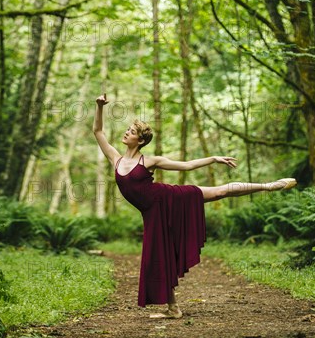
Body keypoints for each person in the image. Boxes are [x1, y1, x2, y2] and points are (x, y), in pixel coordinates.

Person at [92, 93, 296, 319]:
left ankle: (268, 186)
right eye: (127, 129)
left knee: (219, 192)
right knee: (158, 255)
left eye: (131, 132)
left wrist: (213, 158)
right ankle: (173, 308)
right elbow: (98, 132)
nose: (126, 132)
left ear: (140, 140)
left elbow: (187, 166)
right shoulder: (116, 158)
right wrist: (99, 107)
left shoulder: (150, 161)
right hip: (151, 214)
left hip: (169, 199)